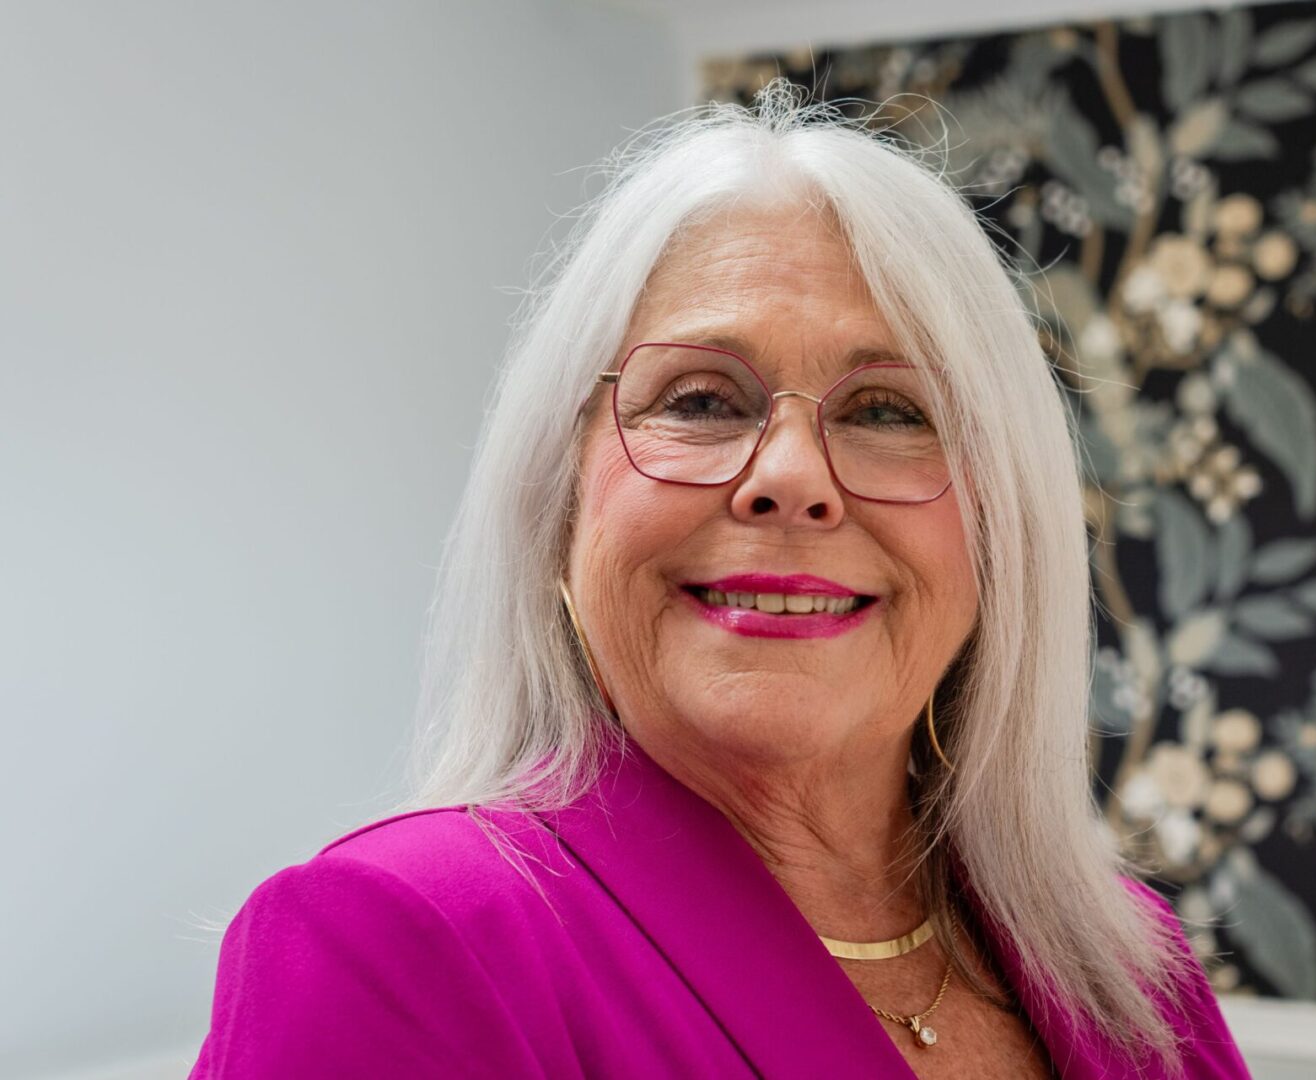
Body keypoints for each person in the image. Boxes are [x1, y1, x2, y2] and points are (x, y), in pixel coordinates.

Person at [188, 82, 1251, 1079]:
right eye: (699, 400)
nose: (789, 481)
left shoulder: (1126, 964)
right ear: (560, 504)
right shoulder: (394, 940)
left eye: (888, 411)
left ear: (1000, 527)